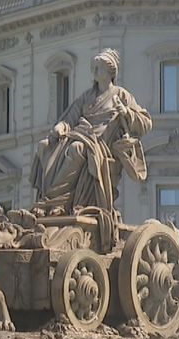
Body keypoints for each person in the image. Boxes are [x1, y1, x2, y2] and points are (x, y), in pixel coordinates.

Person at [30, 49, 152, 227]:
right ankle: (51, 201)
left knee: (77, 148)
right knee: (46, 147)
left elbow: (146, 122)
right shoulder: (87, 97)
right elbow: (70, 117)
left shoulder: (121, 95)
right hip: (82, 135)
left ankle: (53, 200)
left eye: (98, 67)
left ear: (110, 72)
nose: (94, 71)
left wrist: (127, 113)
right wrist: (61, 126)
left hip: (103, 145)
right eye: (93, 67)